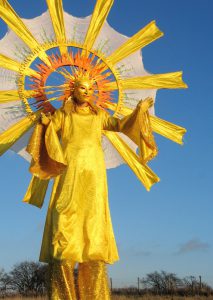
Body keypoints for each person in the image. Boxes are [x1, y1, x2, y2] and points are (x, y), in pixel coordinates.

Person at [24, 73, 154, 300]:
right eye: (82, 88)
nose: (87, 92)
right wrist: (44, 124)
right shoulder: (63, 115)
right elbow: (48, 131)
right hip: (70, 172)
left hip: (94, 174)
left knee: (93, 232)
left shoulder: (99, 116)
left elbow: (121, 125)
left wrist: (139, 111)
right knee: (62, 224)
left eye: (90, 89)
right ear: (72, 90)